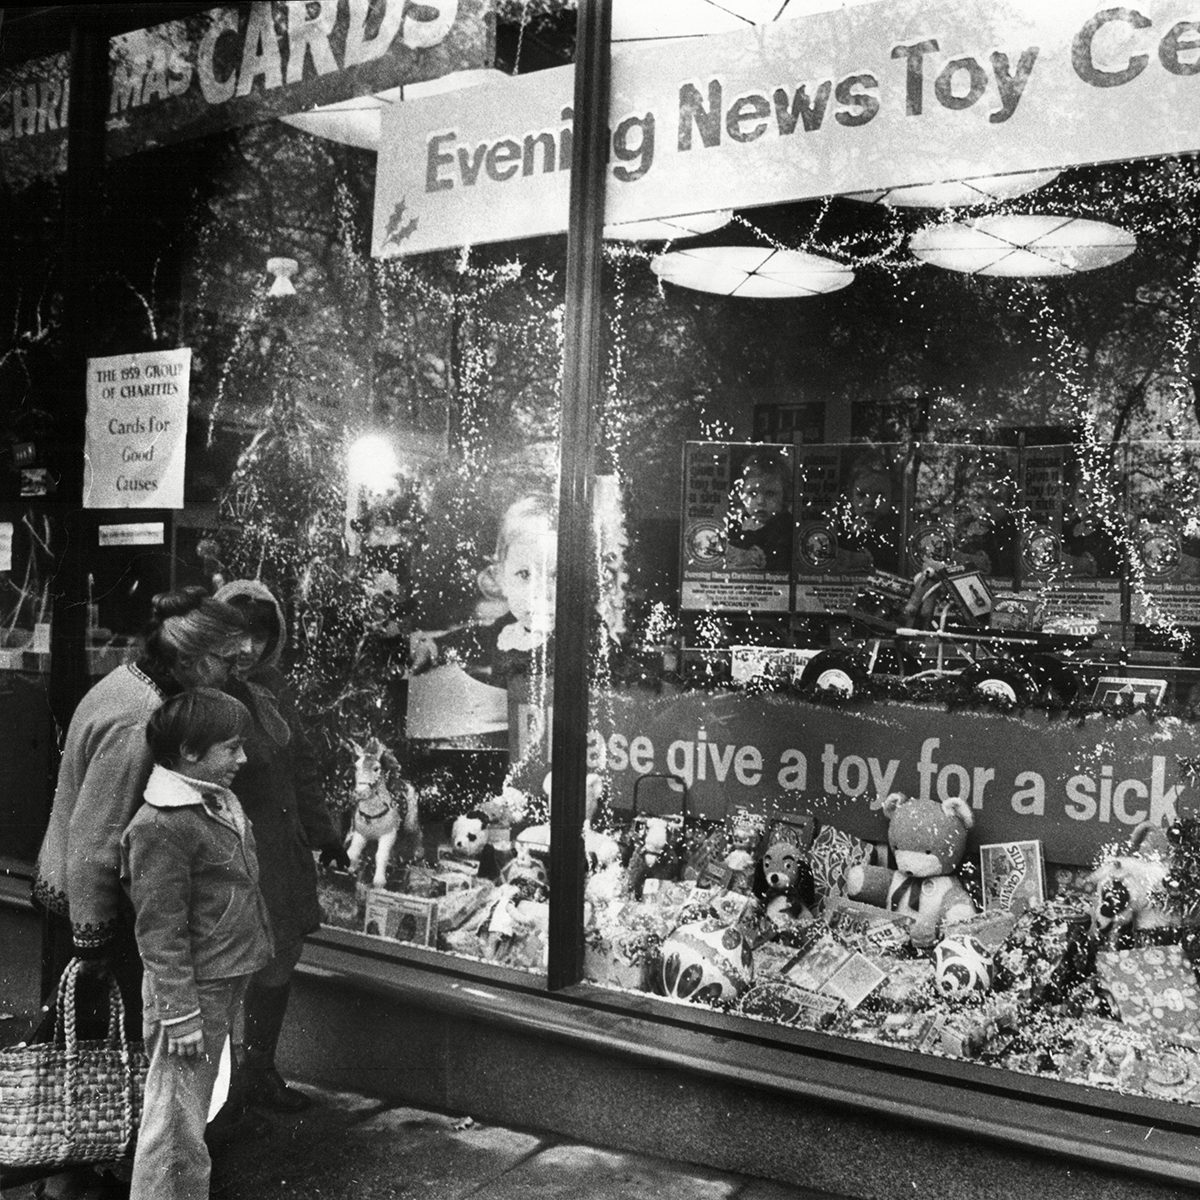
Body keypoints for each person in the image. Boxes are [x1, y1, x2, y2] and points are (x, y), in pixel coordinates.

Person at [33, 587, 248, 1034]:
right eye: (226, 660)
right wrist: (92, 948)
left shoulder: (140, 685)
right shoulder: (141, 717)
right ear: (188, 660)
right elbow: (95, 841)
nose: (233, 672)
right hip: (92, 916)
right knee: (95, 1069)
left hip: (90, 906)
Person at [122, 688, 274, 1200]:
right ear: (190, 752)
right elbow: (159, 933)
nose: (243, 759)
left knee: (192, 1113)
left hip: (219, 980)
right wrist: (180, 1014)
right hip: (193, 994)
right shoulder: (162, 825)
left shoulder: (210, 800)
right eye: (231, 748)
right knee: (174, 1128)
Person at [214, 578, 349, 1112]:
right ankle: (222, 1096)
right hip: (237, 856)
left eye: (260, 636)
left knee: (281, 960)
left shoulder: (272, 689)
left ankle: (258, 1072)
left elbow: (300, 765)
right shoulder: (206, 696)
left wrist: (324, 834)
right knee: (235, 968)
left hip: (282, 850)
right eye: (238, 634)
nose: (248, 648)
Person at [409, 493, 558, 686]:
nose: (540, 592)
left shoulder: (579, 639)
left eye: (556, 575)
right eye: (524, 574)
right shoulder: (508, 630)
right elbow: (470, 639)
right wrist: (433, 647)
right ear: (501, 578)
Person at [723, 449, 793, 572]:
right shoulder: (737, 522)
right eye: (752, 493)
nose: (760, 501)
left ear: (784, 495)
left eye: (770, 493)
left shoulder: (784, 527)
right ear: (741, 494)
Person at [831, 460, 900, 573]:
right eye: (862, 495)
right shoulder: (843, 529)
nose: (869, 502)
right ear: (851, 497)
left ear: (893, 496)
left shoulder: (895, 530)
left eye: (879, 495)